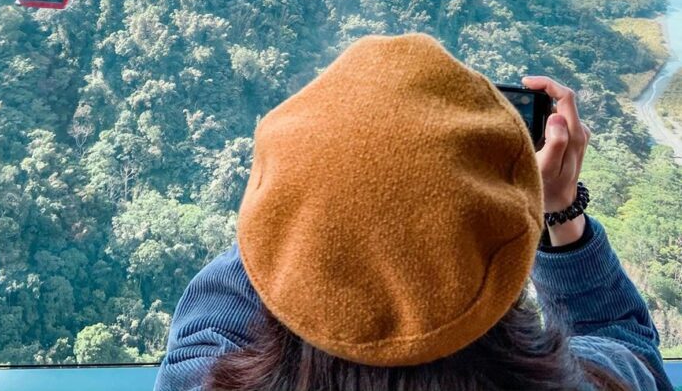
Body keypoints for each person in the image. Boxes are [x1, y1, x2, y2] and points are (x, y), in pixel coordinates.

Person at [154, 34, 672, 391]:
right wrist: (557, 208)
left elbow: (221, 305)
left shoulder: (200, 379)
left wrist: (319, 175)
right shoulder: (586, 383)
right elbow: (626, 345)